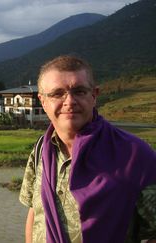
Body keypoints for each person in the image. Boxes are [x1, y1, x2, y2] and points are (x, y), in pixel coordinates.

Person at [19, 55, 156, 243]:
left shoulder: (135, 155)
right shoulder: (41, 150)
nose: (69, 101)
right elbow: (35, 213)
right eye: (58, 93)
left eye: (79, 91)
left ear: (94, 95)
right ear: (43, 101)